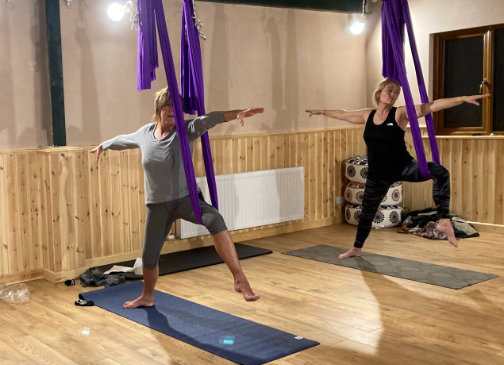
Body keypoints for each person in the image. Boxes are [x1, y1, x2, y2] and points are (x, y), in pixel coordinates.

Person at [90, 87, 264, 308]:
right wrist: (103, 145)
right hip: (157, 206)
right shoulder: (145, 133)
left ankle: (239, 278)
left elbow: (210, 119)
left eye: (177, 108)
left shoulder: (186, 130)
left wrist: (236, 113)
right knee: (149, 256)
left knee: (216, 220)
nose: (173, 111)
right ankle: (147, 296)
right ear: (159, 109)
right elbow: (124, 140)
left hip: (185, 201)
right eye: (168, 106)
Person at [306, 79, 489, 258]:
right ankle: (356, 248)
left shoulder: (399, 113)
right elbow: (343, 114)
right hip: (377, 174)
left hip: (403, 167)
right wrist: (320, 111)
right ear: (379, 93)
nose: (393, 94)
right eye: (390, 90)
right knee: (367, 213)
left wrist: (462, 99)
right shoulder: (367, 115)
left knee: (440, 172)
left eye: (396, 92)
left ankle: (443, 221)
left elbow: (430, 106)